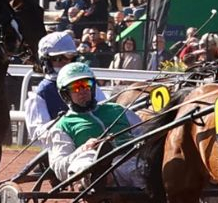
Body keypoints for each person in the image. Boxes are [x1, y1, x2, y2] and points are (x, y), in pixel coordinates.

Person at [47, 61, 146, 190]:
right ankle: (97, 177)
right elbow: (60, 168)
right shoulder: (63, 126)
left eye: (86, 85)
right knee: (86, 160)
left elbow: (144, 133)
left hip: (132, 163)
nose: (83, 91)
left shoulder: (118, 110)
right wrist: (83, 149)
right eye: (76, 87)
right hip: (94, 166)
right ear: (65, 94)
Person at [23, 30, 80, 151]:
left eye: (69, 58)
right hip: (59, 152)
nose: (65, 62)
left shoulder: (86, 84)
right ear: (46, 61)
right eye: (58, 58)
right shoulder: (40, 95)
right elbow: (37, 137)